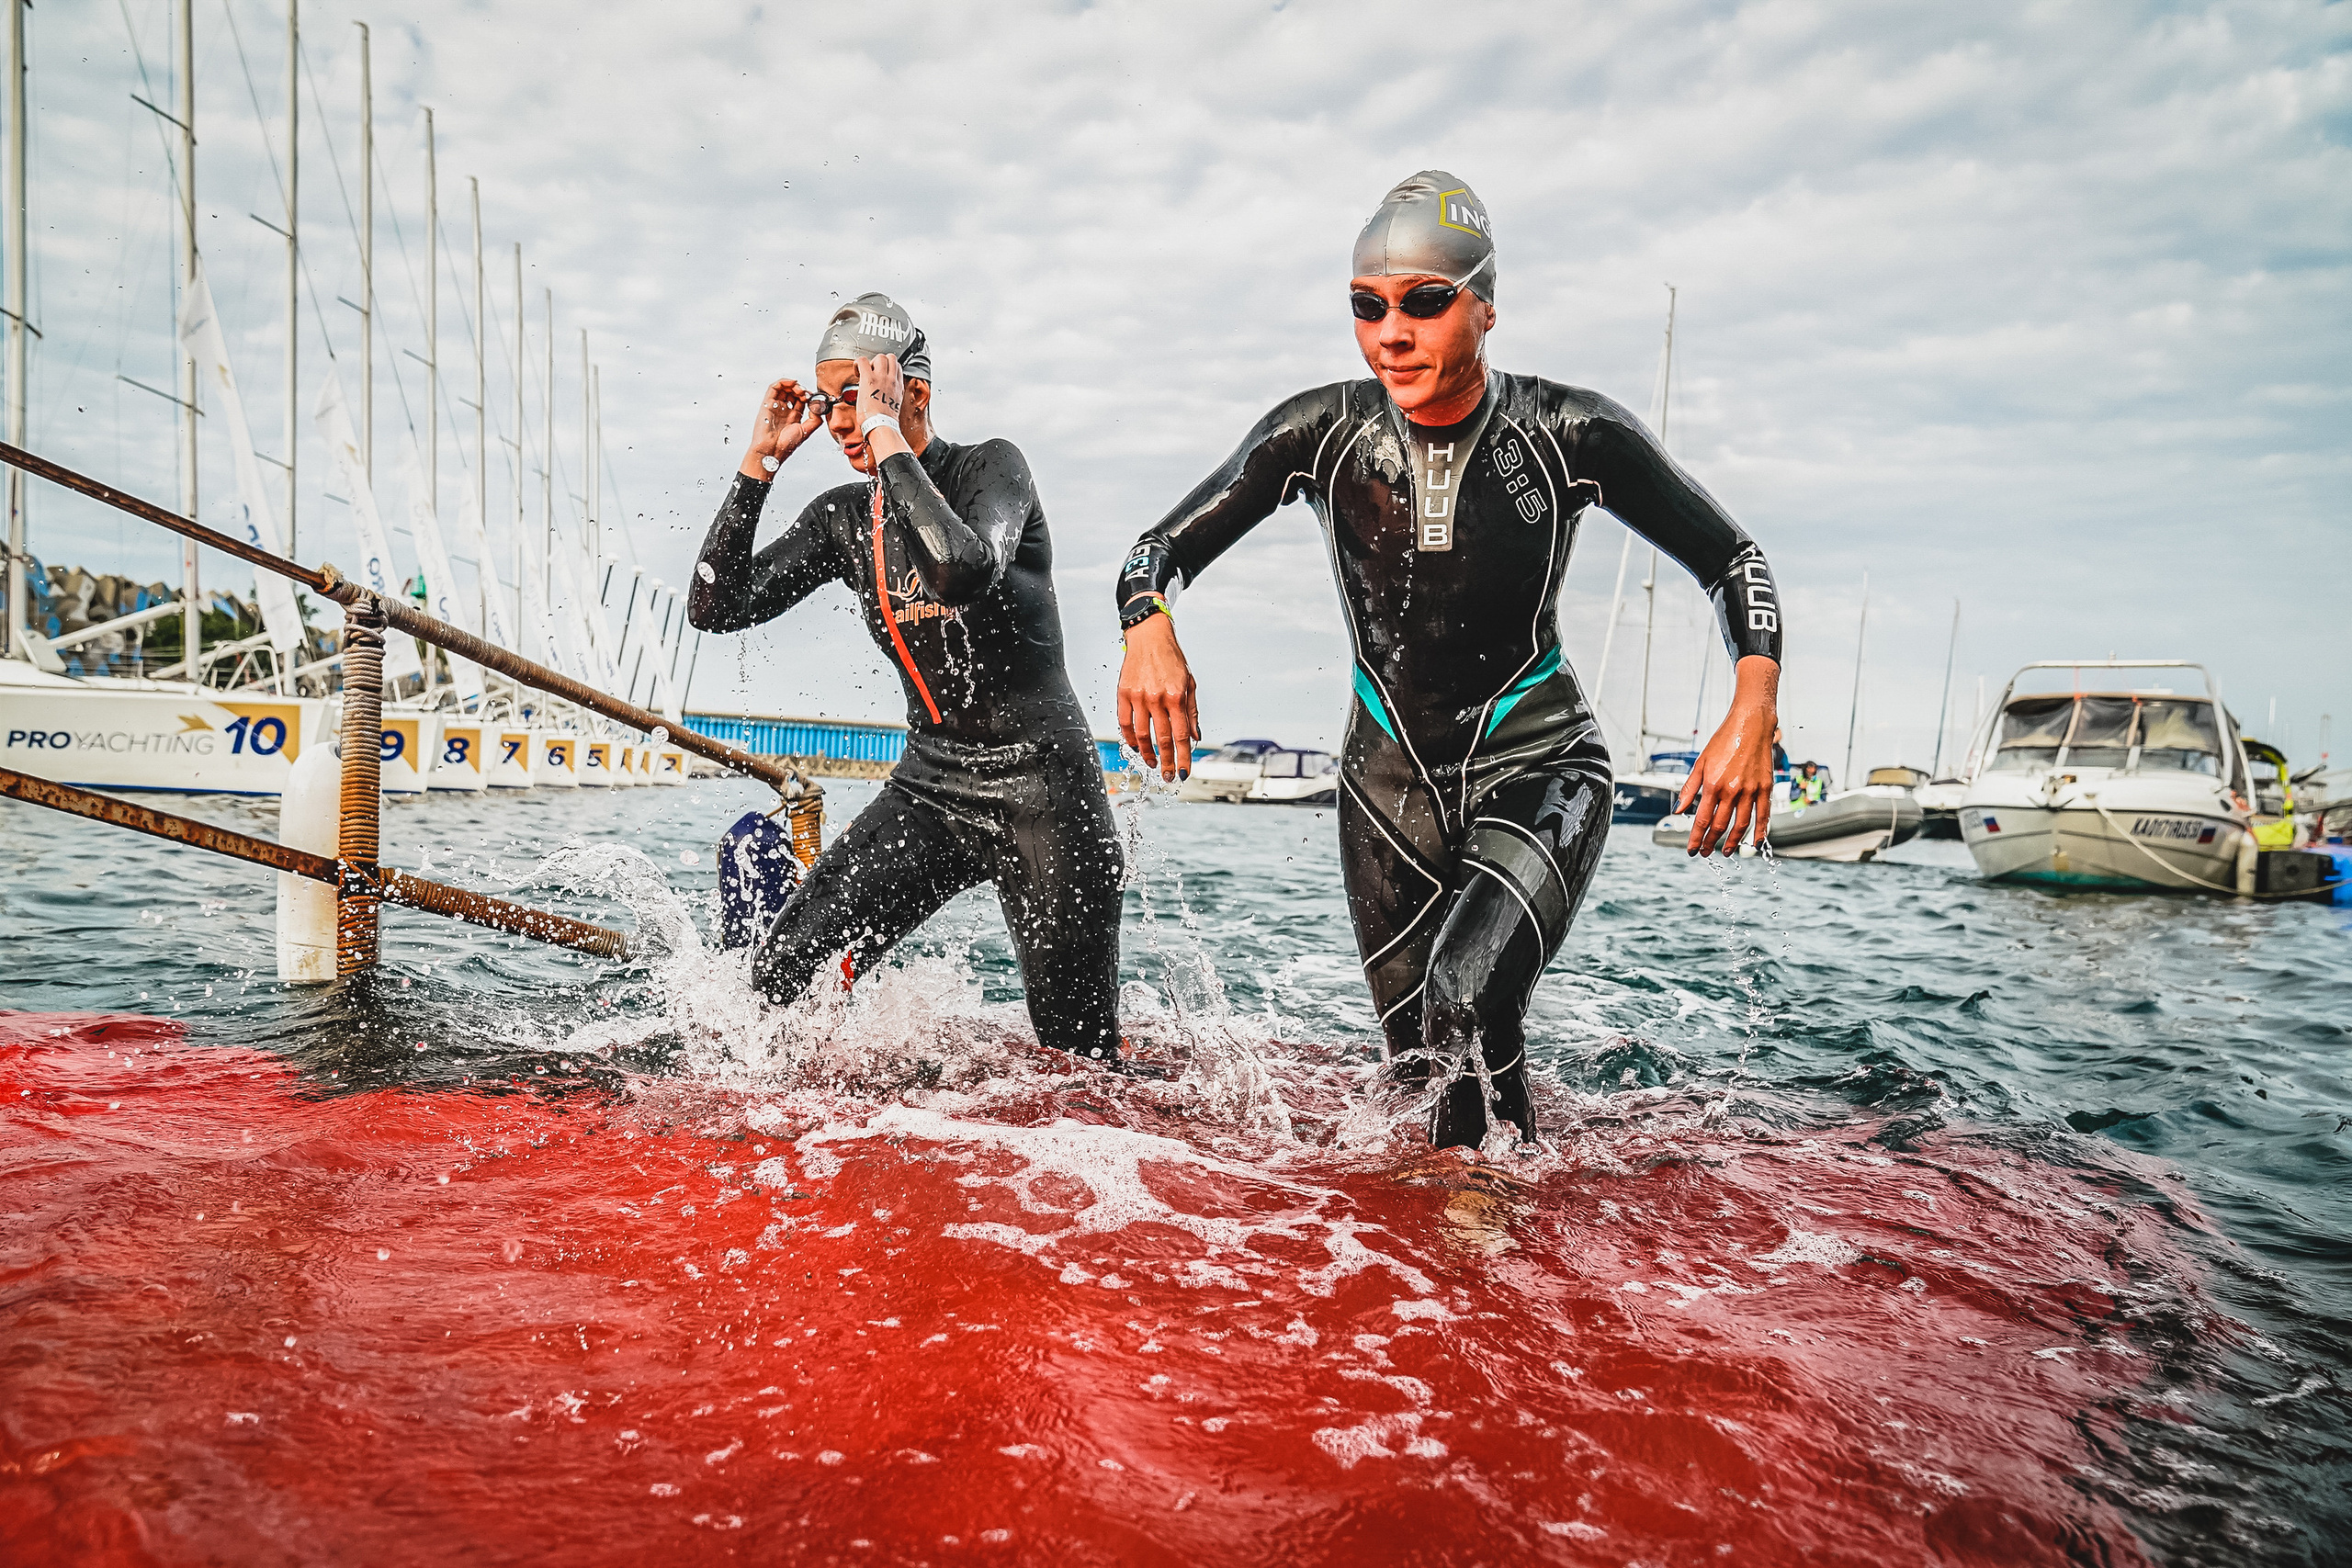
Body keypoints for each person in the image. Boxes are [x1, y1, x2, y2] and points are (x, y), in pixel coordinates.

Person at [1114, 173, 1785, 1149]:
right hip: (1387, 785)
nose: (1392, 333)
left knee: (1463, 996)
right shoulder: (1322, 432)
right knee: (1426, 1072)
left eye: (1424, 302)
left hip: (1541, 760)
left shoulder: (1568, 433)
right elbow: (1155, 551)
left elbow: (1733, 558)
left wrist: (1753, 703)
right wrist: (1149, 626)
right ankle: (1496, 1214)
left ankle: (1494, 1208)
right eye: (1366, 306)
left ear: (1485, 307)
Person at [687, 293, 1124, 1060]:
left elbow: (960, 570)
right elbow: (715, 606)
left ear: (912, 391)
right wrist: (760, 463)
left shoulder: (992, 468)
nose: (841, 422)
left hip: (1044, 790)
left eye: (856, 397)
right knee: (778, 980)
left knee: (1078, 1056)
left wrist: (886, 434)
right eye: (830, 403)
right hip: (932, 787)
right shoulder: (843, 519)